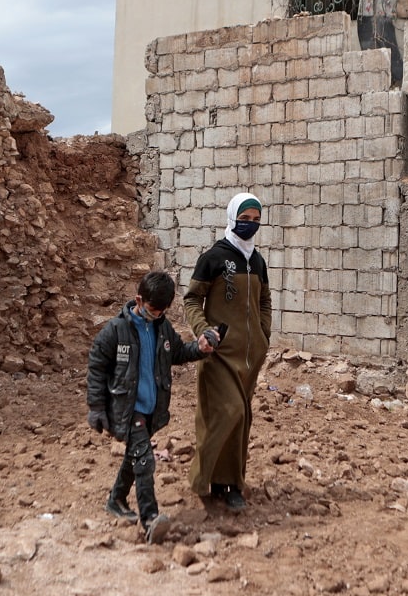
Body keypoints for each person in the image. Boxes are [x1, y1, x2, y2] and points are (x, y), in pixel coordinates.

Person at [86, 270, 215, 543]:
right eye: (153, 309)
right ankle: (150, 519)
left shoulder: (163, 328)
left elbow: (179, 353)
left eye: (161, 311)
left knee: (136, 457)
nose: (156, 315)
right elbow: (97, 368)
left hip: (151, 409)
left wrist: (200, 348)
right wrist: (96, 408)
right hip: (126, 408)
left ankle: (116, 500)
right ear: (138, 299)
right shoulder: (115, 331)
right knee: (144, 460)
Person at [184, 192, 272, 511]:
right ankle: (201, 477)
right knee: (228, 410)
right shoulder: (214, 257)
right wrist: (203, 331)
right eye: (244, 218)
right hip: (218, 353)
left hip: (250, 357)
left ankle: (230, 484)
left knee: (241, 418)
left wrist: (264, 333)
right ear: (232, 217)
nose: (250, 225)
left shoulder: (257, 261)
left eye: (255, 220)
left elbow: (264, 300)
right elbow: (192, 299)